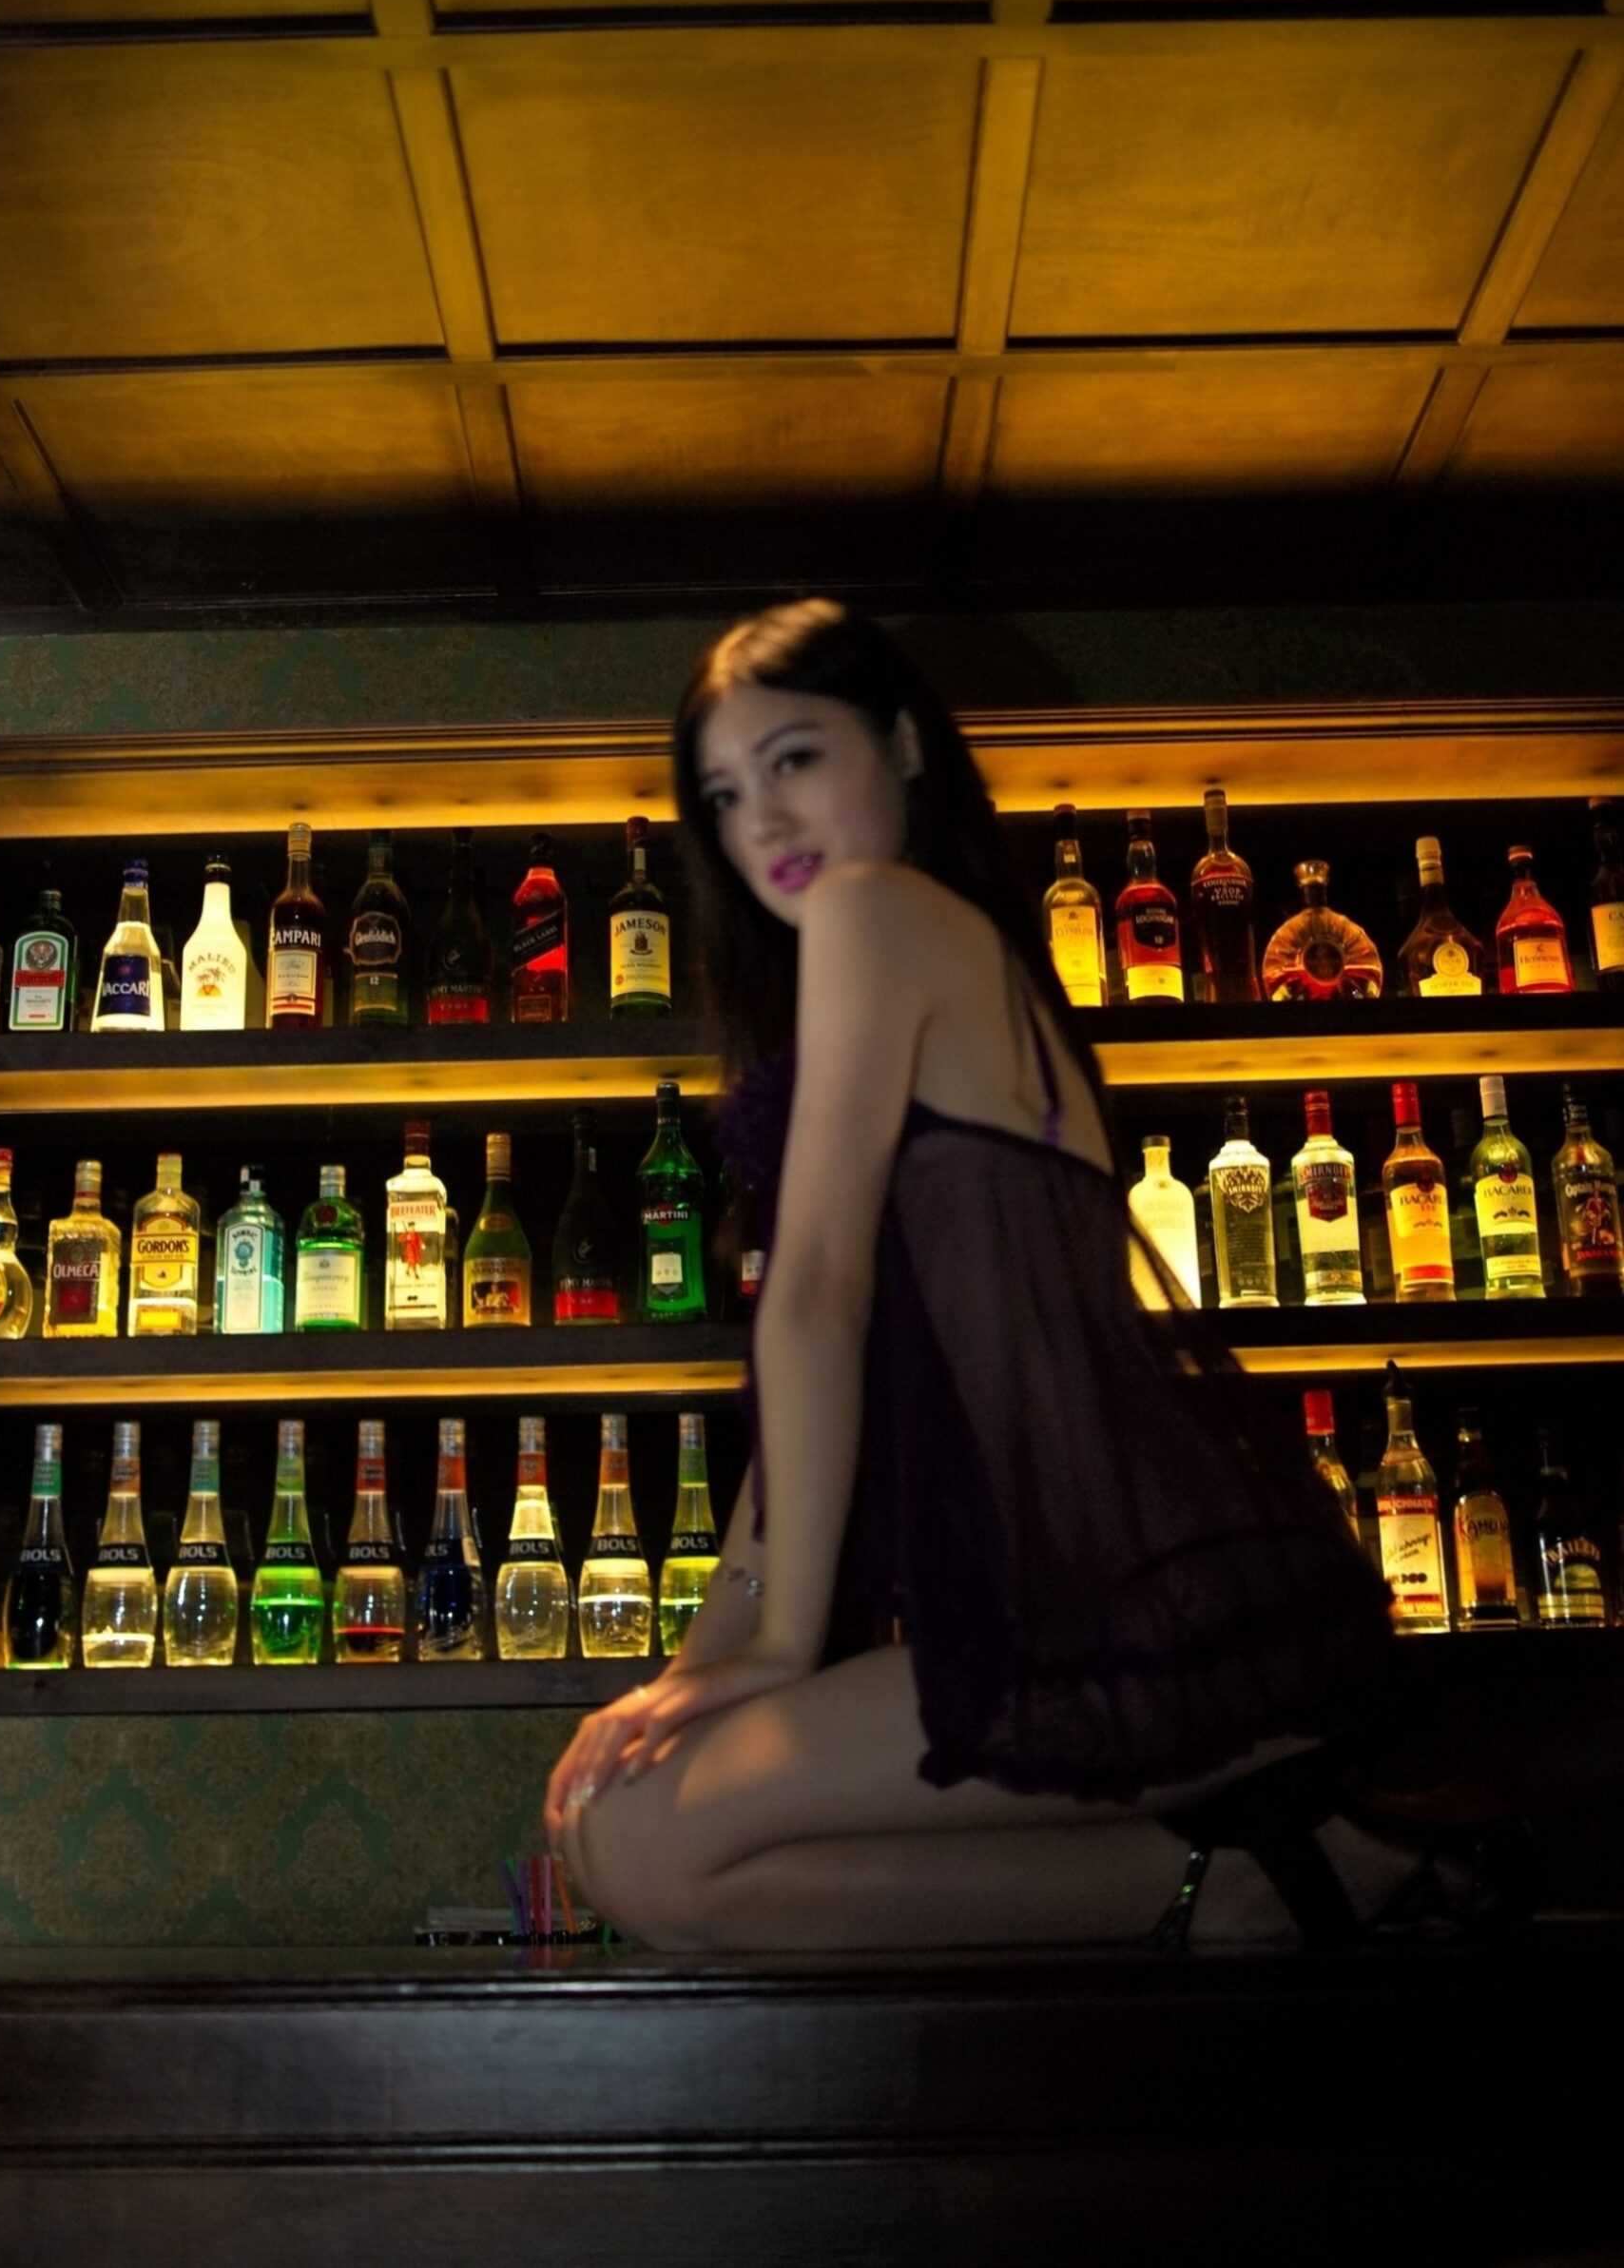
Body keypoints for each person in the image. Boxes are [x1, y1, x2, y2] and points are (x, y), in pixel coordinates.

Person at [544, 600, 1525, 1952]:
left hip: (1118, 1603)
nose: (758, 818)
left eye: (794, 758)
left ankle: (1289, 1876)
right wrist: (704, 1661)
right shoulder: (922, 956)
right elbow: (826, 1365)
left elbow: (818, 1292)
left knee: (637, 1836)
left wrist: (765, 1653)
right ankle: (1267, 1879)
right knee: (624, 1833)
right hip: (1107, 1597)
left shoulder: (879, 913)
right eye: (722, 793)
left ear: (903, 745)